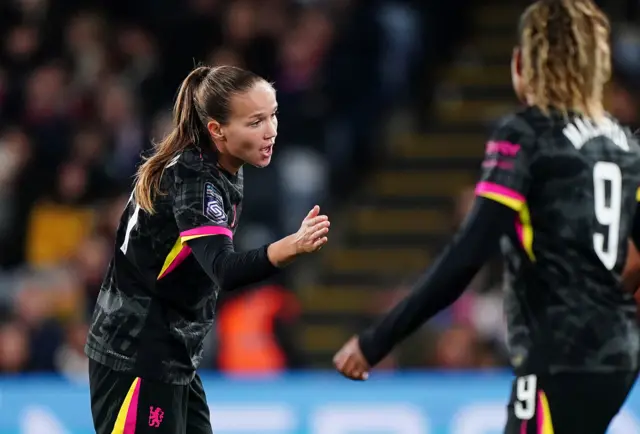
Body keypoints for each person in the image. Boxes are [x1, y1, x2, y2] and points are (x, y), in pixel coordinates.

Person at [334, 1, 640, 433]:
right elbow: (633, 261)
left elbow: (466, 255)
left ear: (523, 63)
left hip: (557, 357)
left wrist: (377, 339)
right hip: (617, 357)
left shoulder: (526, 134)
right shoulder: (626, 146)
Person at [85, 65, 330, 434]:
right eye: (255, 122)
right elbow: (224, 269)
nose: (271, 131)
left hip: (171, 356)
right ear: (217, 130)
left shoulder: (219, 166)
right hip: (136, 359)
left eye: (273, 115)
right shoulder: (194, 180)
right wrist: (289, 247)